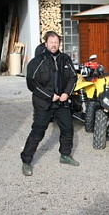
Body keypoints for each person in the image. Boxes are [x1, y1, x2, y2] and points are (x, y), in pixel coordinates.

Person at [20, 31, 79, 176]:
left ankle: (65, 155)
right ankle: (26, 161)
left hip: (61, 103)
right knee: (38, 132)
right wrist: (49, 96)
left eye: (56, 42)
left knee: (68, 129)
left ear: (59, 44)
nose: (54, 45)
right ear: (46, 43)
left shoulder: (65, 59)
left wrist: (66, 93)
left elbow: (73, 77)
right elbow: (31, 83)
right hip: (43, 103)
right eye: (51, 42)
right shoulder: (37, 61)